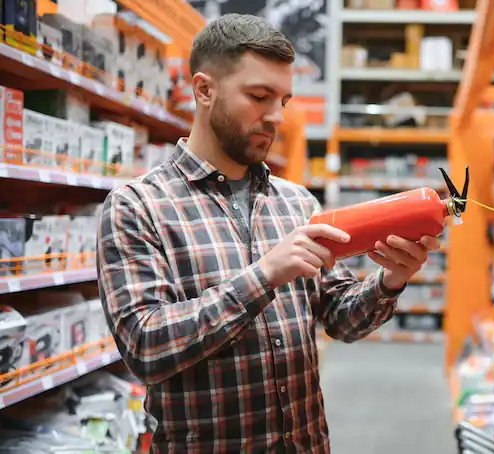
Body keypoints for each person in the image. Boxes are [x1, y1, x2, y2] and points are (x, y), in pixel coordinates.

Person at [97, 13, 440, 454]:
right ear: (204, 90)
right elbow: (145, 348)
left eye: (284, 99)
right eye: (260, 96)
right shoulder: (136, 206)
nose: (276, 116)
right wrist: (264, 276)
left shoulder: (298, 203)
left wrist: (389, 282)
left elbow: (340, 320)